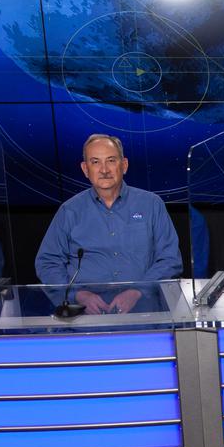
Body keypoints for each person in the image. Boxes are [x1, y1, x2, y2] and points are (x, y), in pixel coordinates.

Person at [35, 134, 182, 314]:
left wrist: (138, 291)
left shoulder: (151, 204)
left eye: (111, 160)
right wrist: (78, 295)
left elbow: (170, 259)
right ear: (85, 169)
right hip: (86, 318)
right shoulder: (69, 211)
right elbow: (47, 262)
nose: (104, 170)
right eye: (95, 162)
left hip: (144, 314)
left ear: (124, 165)